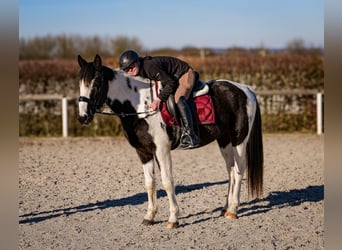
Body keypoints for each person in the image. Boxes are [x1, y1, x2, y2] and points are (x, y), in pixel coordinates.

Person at [119, 50, 199, 149]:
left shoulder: (150, 67)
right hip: (173, 77)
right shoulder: (141, 70)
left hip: (185, 74)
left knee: (178, 99)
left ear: (138, 61)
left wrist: (158, 99)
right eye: (126, 69)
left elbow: (170, 83)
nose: (130, 70)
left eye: (131, 66)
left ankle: (191, 135)